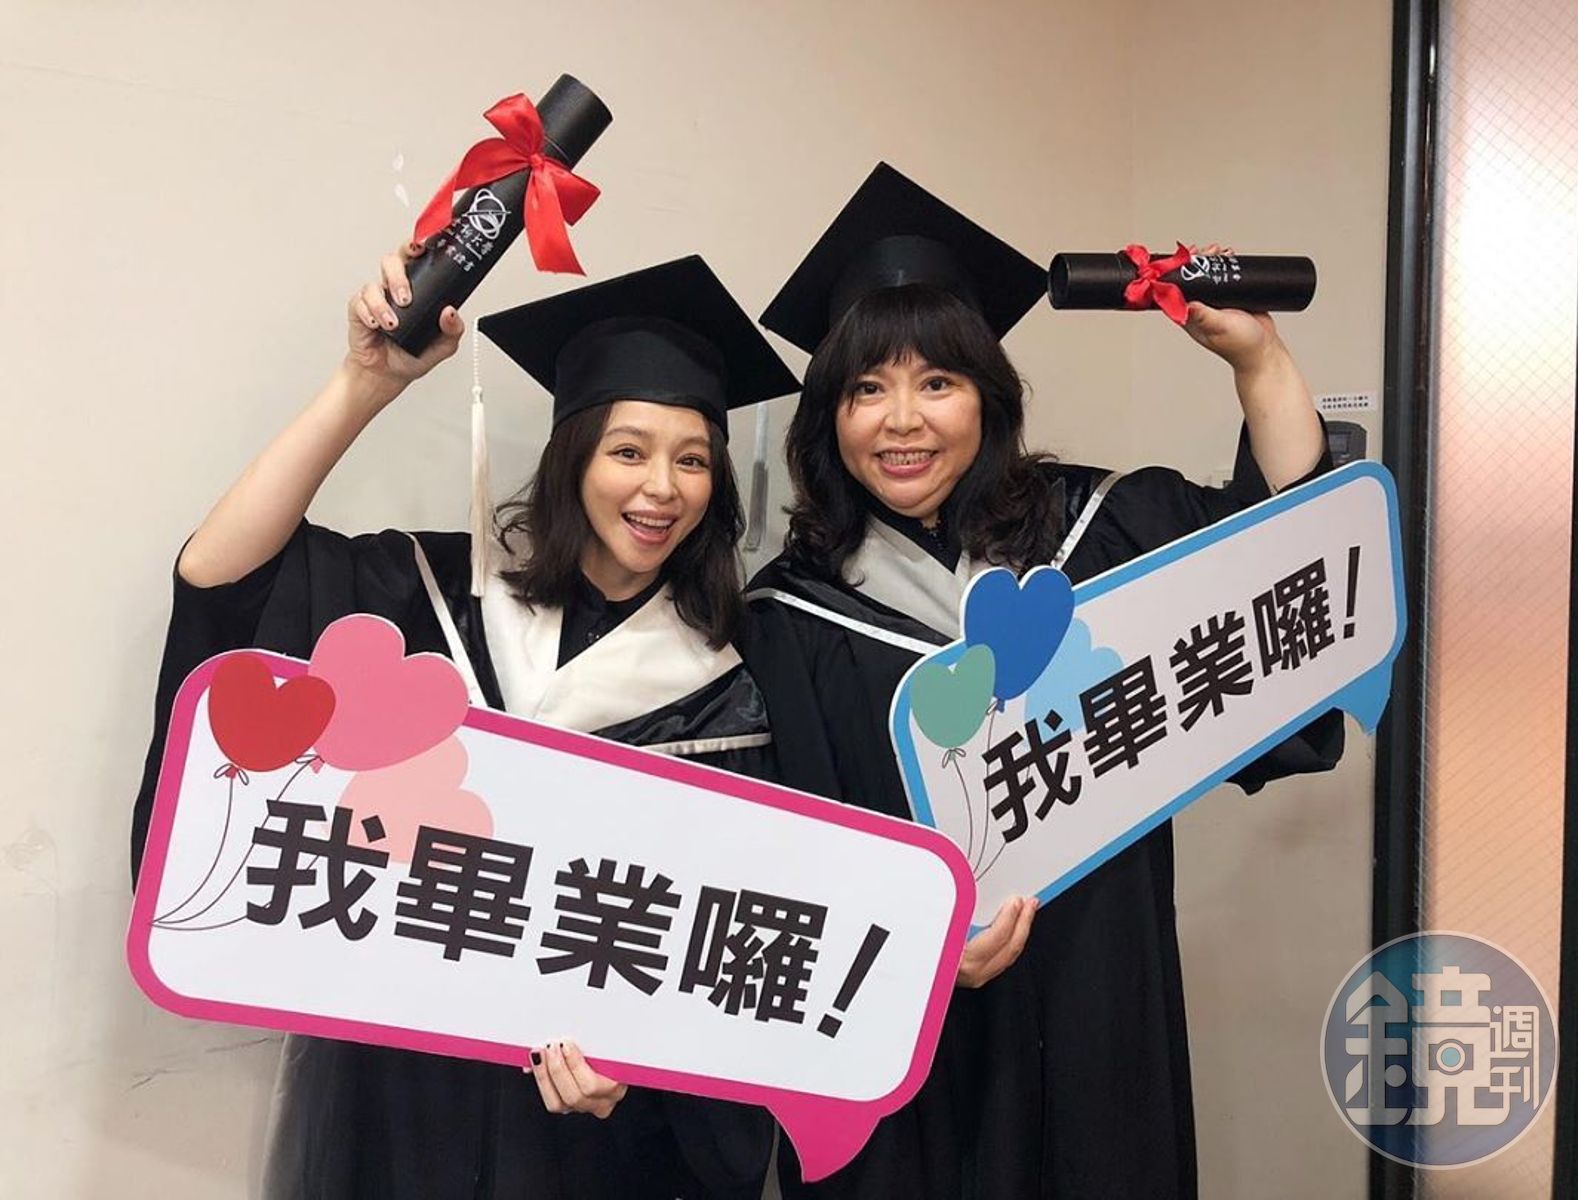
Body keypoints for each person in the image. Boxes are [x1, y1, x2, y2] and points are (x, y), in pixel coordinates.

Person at [130, 249, 798, 1199]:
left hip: (595, 1130)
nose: (662, 487)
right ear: (573, 457)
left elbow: (726, 948)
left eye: (692, 460)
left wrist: (645, 1067)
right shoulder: (432, 597)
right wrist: (364, 384)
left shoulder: (731, 690)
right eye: (628, 450)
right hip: (402, 1099)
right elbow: (223, 579)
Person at [741, 163, 1346, 1199]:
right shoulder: (789, 618)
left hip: (1094, 988)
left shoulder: (1101, 534)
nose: (902, 421)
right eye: (866, 389)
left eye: (938, 382)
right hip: (904, 1030)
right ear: (829, 418)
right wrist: (920, 950)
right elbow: (784, 857)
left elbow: (1281, 580)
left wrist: (1260, 362)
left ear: (989, 397)